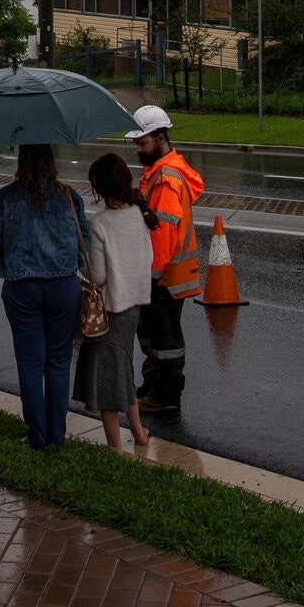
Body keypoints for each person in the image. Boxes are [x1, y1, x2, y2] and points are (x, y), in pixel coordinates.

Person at [0, 143, 89, 449]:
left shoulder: (5, 198)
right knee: (58, 362)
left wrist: (13, 250)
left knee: (30, 363)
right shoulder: (70, 197)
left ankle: (36, 434)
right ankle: (57, 433)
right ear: (52, 162)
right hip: (63, 286)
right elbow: (84, 247)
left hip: (22, 286)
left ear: (21, 161)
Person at [124, 105, 203, 417]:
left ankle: (166, 395)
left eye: (141, 143)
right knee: (155, 335)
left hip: (164, 276)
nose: (137, 149)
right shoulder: (160, 171)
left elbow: (163, 234)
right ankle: (153, 385)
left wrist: (150, 277)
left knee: (165, 338)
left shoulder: (167, 179)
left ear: (159, 138)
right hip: (165, 274)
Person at [75, 153, 151, 453]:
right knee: (125, 370)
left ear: (98, 187)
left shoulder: (100, 223)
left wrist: (83, 263)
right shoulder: (139, 214)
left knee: (108, 379)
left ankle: (114, 448)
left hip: (109, 310)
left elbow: (99, 275)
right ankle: (139, 433)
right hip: (134, 305)